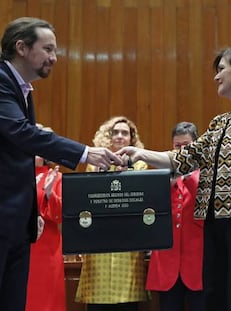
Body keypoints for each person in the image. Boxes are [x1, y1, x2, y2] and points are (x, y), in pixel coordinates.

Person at [118, 46, 231, 311]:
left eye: (222, 69)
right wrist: (140, 152)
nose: (216, 77)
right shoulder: (219, 122)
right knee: (216, 297)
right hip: (214, 223)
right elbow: (184, 159)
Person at [0, 17, 121, 311]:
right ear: (22, 48)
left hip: (16, 221)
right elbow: (20, 133)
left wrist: (30, 210)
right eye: (48, 49)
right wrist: (84, 153)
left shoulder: (22, 88)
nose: (54, 58)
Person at [75, 116, 150, 311]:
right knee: (97, 302)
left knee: (127, 302)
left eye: (124, 133)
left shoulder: (140, 164)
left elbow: (139, 200)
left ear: (131, 139)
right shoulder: (94, 164)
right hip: (99, 242)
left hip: (128, 242)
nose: (119, 136)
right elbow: (87, 201)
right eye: (115, 132)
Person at [146, 121, 205, 311]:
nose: (181, 151)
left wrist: (190, 178)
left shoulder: (206, 174)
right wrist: (167, 184)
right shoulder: (162, 175)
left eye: (186, 146)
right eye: (177, 146)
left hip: (198, 260)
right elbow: (149, 212)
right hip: (167, 260)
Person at [25, 124, 66, 311]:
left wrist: (50, 194)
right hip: (20, 247)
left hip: (46, 250)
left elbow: (61, 215)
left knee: (45, 301)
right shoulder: (14, 175)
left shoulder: (54, 176)